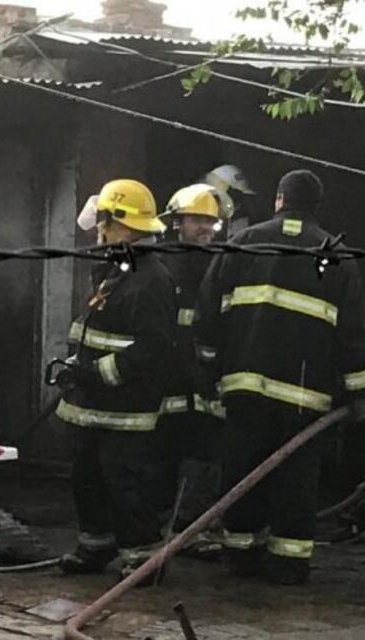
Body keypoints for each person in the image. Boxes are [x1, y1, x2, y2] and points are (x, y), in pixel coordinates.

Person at [194, 169, 365, 584]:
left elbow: (208, 316)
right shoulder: (334, 257)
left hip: (243, 391)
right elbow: (354, 334)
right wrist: (360, 394)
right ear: (315, 207)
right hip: (305, 400)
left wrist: (209, 370)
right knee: (296, 479)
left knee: (242, 471)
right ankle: (290, 564)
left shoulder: (242, 243)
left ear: (279, 199)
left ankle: (240, 557)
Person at [57, 178, 177, 578]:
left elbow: (152, 350)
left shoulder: (152, 279)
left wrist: (97, 373)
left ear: (124, 224)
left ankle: (143, 558)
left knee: (126, 484)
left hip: (125, 409)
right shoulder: (116, 270)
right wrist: (78, 370)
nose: (97, 230)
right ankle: (96, 545)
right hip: (91, 406)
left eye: (104, 222)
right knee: (86, 478)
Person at [157, 184, 228, 557]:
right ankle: (165, 526)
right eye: (197, 220)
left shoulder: (220, 262)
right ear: (177, 222)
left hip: (203, 375)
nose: (204, 228)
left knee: (204, 451)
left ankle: (192, 528)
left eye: (210, 222)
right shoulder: (160, 262)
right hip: (167, 376)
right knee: (163, 452)